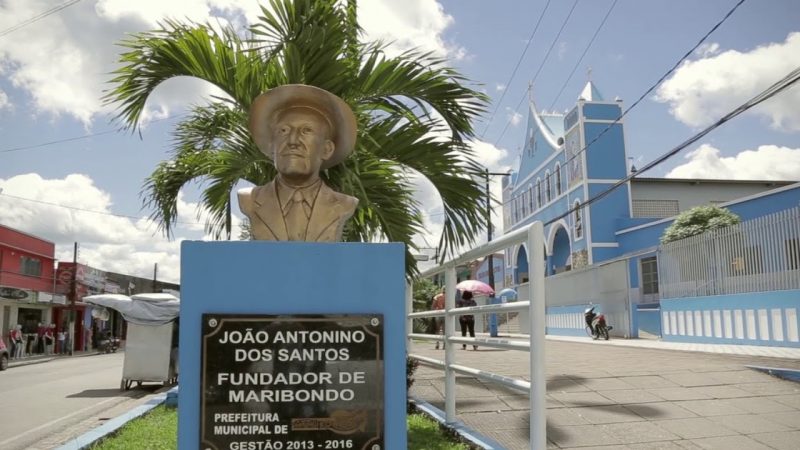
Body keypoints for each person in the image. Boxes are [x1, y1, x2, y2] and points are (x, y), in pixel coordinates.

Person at [238, 84, 359, 242]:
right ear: (272, 147)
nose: (293, 141)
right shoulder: (249, 200)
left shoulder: (344, 205)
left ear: (327, 149)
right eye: (284, 131)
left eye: (306, 131)